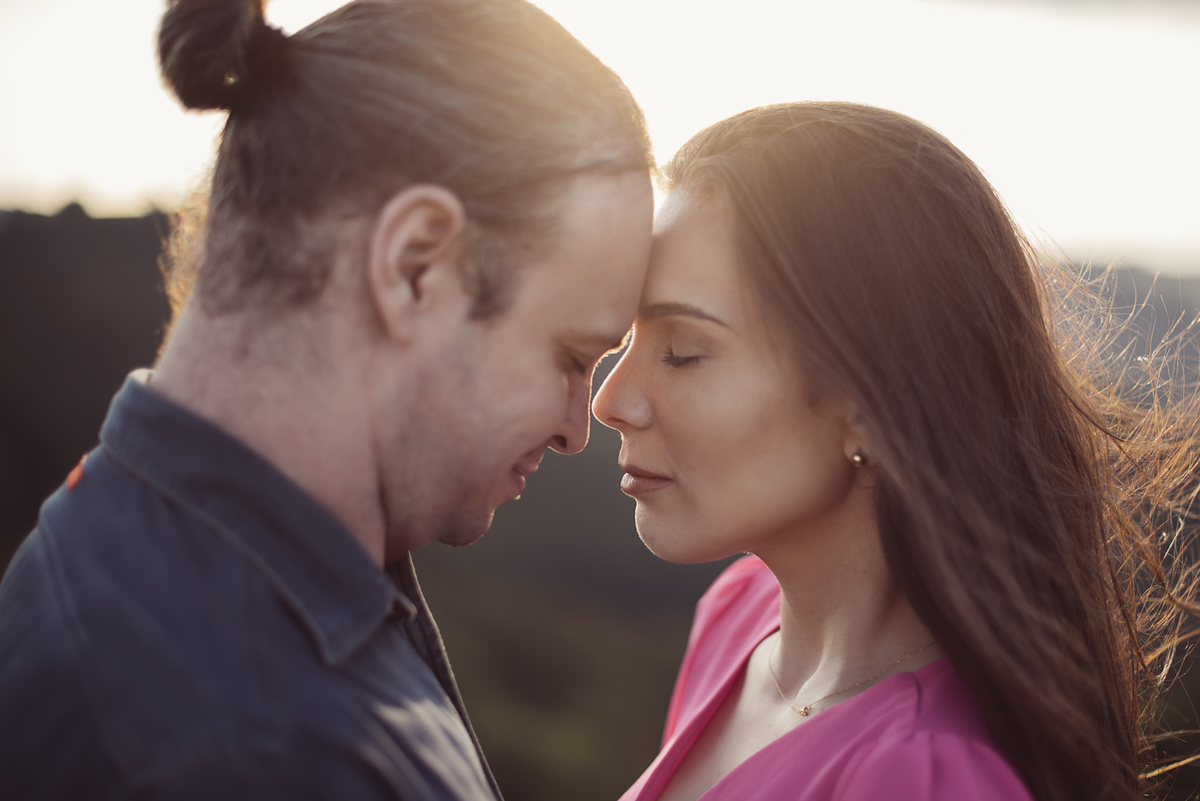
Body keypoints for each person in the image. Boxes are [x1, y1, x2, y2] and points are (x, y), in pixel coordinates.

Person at [0, 0, 653, 798]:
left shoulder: (111, 541)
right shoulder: (273, 758)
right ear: (414, 265)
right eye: (571, 355)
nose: (576, 429)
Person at [592, 102, 1200, 801]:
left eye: (682, 352)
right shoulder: (739, 615)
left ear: (870, 404)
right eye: (628, 338)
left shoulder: (926, 777)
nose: (611, 400)